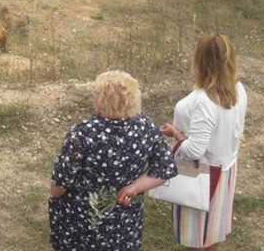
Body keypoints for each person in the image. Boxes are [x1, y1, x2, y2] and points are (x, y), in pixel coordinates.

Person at [49, 71, 177, 250]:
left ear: (100, 99)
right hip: (125, 218)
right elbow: (166, 168)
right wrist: (134, 187)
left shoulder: (82, 134)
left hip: (84, 218)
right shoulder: (146, 127)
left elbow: (59, 186)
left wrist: (56, 195)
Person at [161, 34, 247, 251]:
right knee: (212, 230)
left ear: (200, 61)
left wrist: (176, 134)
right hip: (225, 169)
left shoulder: (203, 101)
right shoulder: (238, 90)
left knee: (197, 237)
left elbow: (195, 150)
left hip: (201, 175)